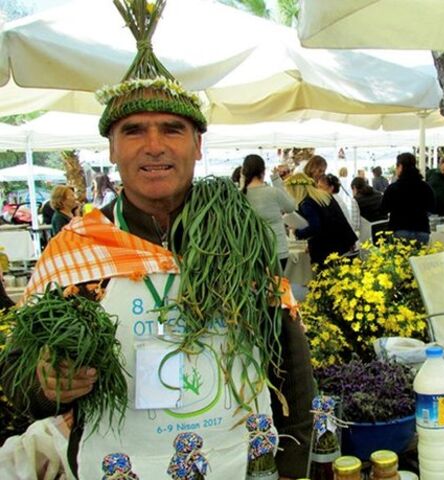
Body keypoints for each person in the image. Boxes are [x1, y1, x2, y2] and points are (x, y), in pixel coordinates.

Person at [0, 3, 313, 478]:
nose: (154, 145)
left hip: (243, 466)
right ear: (111, 148)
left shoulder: (237, 240)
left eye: (172, 129)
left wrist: (295, 467)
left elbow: (291, 367)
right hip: (118, 468)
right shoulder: (77, 250)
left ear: (198, 145)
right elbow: (19, 380)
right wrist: (48, 383)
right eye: (133, 131)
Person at [284, 173, 357, 266]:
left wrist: (297, 232)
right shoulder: (323, 196)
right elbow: (341, 219)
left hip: (325, 249)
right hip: (342, 243)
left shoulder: (306, 203)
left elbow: (315, 227)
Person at [241, 154, 295, 270]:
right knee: (278, 285)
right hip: (278, 249)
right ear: (263, 171)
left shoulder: (240, 195)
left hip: (253, 251)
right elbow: (291, 206)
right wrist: (276, 180)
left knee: (257, 287)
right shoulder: (273, 192)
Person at [380, 152, 436, 244]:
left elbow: (383, 209)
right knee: (420, 257)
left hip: (399, 229)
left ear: (400, 166)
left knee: (400, 258)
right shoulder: (426, 187)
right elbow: (432, 207)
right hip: (422, 230)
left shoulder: (393, 188)